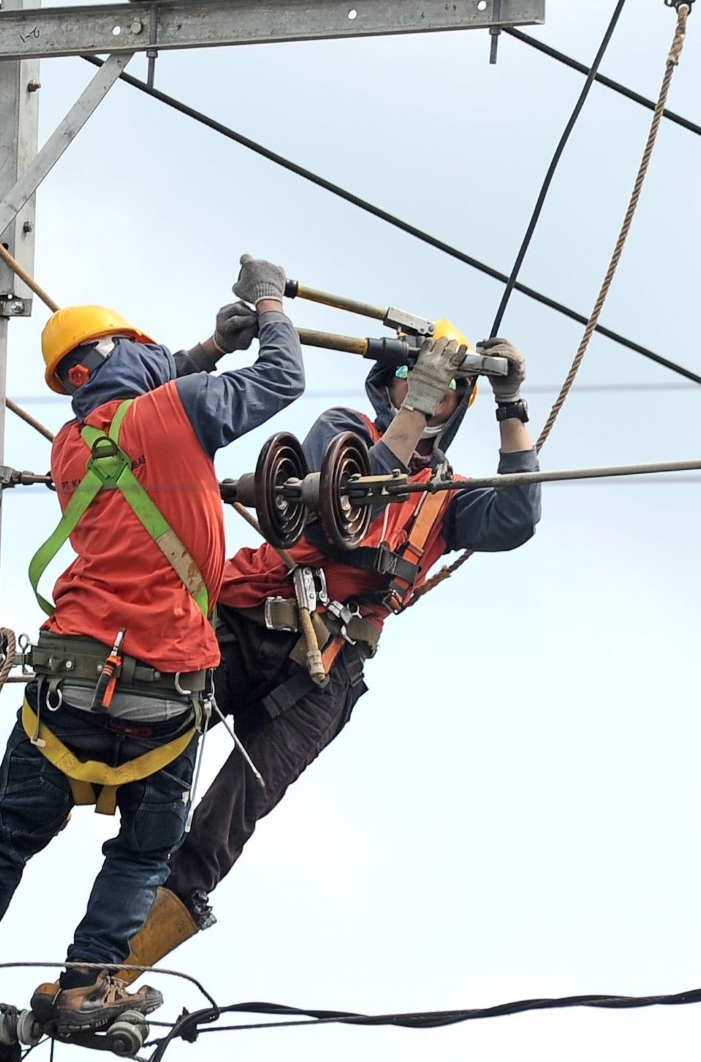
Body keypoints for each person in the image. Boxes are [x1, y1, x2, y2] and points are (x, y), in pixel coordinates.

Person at [0, 255, 304, 1036]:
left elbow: (131, 386)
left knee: (6, 837)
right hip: (166, 687)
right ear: (122, 357)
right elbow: (283, 382)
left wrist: (207, 351)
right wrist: (269, 305)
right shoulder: (176, 414)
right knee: (142, 853)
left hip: (70, 681)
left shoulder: (72, 446)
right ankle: (87, 983)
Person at [116, 323, 543, 975]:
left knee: (229, 819)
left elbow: (517, 520)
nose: (426, 393)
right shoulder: (342, 432)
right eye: (415, 377)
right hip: (252, 621)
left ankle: (114, 967)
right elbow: (339, 505)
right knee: (143, 727)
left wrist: (511, 405)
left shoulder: (446, 502)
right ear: (389, 380)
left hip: (327, 671)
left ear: (461, 406)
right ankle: (85, 854)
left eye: (447, 388)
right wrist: (410, 414)